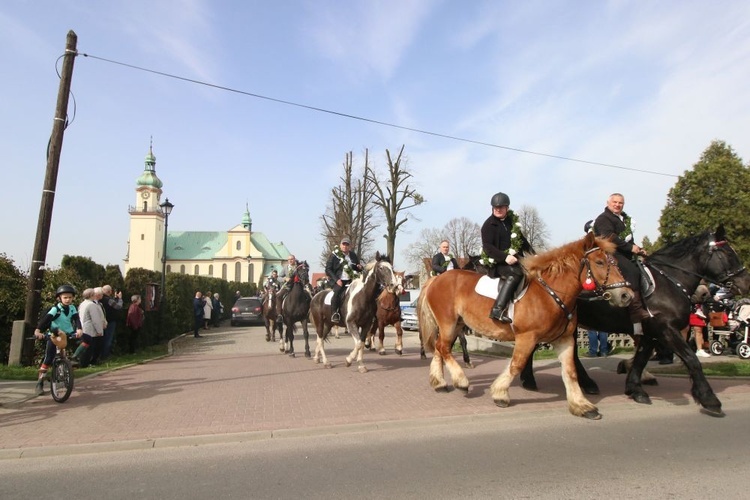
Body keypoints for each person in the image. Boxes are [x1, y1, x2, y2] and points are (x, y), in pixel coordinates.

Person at [593, 193, 650, 336]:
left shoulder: (624, 219)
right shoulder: (603, 219)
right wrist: (631, 248)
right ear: (608, 202)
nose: (618, 205)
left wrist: (638, 249)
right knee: (632, 272)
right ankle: (636, 311)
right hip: (611, 254)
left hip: (625, 252)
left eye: (620, 203)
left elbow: (627, 240)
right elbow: (609, 237)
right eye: (615, 202)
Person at [481, 192, 533, 322]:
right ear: (492, 208)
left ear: (507, 208)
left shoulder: (511, 222)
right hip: (498, 263)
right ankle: (497, 309)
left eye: (501, 207)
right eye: (496, 207)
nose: (498, 209)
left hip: (516, 260)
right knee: (516, 273)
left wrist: (534, 254)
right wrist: (505, 257)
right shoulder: (488, 225)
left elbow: (522, 240)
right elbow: (488, 247)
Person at [33, 284, 84, 395]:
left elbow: (77, 319)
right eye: (65, 297)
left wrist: (79, 329)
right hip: (54, 335)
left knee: (84, 341)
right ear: (59, 298)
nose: (68, 300)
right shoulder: (55, 309)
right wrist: (38, 331)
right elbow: (46, 319)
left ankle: (68, 367)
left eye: (70, 297)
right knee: (49, 358)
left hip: (67, 333)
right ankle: (40, 382)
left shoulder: (72, 308)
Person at [325, 236, 363, 323]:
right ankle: (334, 313)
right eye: (343, 244)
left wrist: (359, 267)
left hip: (351, 280)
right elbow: (328, 269)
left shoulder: (353, 255)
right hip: (338, 280)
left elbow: (356, 267)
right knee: (337, 293)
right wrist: (336, 280)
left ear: (350, 246)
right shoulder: (334, 255)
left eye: (347, 245)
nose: (345, 246)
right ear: (340, 245)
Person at [75, 288, 107, 367]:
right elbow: (95, 319)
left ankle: (83, 362)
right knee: (90, 348)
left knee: (86, 346)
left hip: (83, 327)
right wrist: (99, 330)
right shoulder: (92, 305)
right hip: (90, 329)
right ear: (91, 295)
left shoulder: (82, 304)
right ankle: (86, 363)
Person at [100, 285, 123, 360]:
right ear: (109, 291)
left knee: (102, 339)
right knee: (108, 339)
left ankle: (101, 355)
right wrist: (120, 299)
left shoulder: (100, 299)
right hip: (110, 321)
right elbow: (118, 307)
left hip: (101, 321)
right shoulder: (108, 300)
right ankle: (105, 356)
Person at [276, 255, 299, 321]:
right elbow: (278, 277)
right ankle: (279, 315)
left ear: (294, 259)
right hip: (287, 287)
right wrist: (285, 279)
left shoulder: (298, 267)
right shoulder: (285, 268)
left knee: (307, 294)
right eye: (289, 259)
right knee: (278, 296)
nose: (290, 260)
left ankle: (309, 312)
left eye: (292, 259)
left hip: (297, 286)